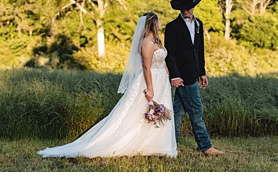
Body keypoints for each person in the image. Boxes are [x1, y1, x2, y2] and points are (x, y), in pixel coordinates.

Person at [38, 12, 177, 158]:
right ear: (153, 23)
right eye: (158, 21)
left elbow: (161, 62)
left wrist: (167, 76)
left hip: (161, 81)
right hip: (151, 80)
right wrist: (150, 88)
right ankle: (132, 143)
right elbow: (147, 68)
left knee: (160, 110)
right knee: (139, 113)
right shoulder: (147, 43)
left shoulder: (156, 41)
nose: (161, 23)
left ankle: (158, 144)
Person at [164, 0, 224, 156]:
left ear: (193, 7)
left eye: (188, 8)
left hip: (193, 73)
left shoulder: (199, 24)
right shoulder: (172, 27)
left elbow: (199, 50)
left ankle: (169, 146)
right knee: (197, 111)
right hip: (182, 76)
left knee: (177, 113)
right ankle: (206, 147)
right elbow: (170, 54)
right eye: (182, 8)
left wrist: (202, 72)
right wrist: (174, 76)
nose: (185, 11)